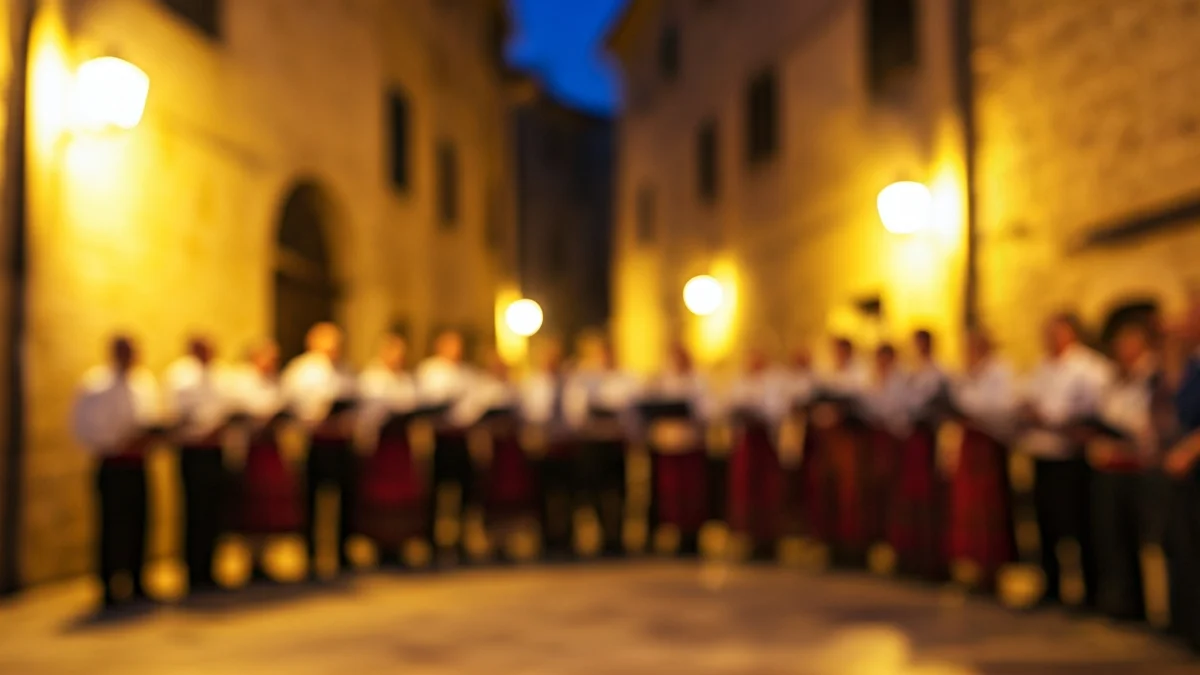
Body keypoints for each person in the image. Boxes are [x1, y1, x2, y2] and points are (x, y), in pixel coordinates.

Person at [1018, 312, 1111, 609]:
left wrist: (1055, 417)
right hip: (1043, 452)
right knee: (1046, 524)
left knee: (1079, 524)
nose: (1050, 339)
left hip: (1071, 457)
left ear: (1071, 332)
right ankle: (1052, 585)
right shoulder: (1043, 366)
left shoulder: (1089, 367)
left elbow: (1096, 410)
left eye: (1056, 332)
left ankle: (1090, 592)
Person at [71, 335, 163, 610]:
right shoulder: (95, 385)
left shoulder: (143, 382)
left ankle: (137, 580)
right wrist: (120, 440)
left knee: (140, 523)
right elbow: (84, 427)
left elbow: (151, 417)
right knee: (112, 526)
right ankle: (109, 585)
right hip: (113, 464)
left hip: (138, 464)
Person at [1088, 321, 1169, 622]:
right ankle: (1124, 601)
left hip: (1139, 468)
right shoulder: (1117, 377)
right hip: (1112, 467)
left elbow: (1146, 424)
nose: (1121, 351)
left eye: (1127, 344)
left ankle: (1152, 609)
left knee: (1145, 539)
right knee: (1114, 538)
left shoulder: (1152, 377)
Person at [281, 322, 358, 577]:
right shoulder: (300, 371)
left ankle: (341, 552)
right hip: (314, 442)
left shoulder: (346, 370)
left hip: (341, 441)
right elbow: (291, 406)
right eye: (329, 344)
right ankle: (312, 556)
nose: (334, 350)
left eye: (337, 345)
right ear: (313, 343)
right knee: (312, 500)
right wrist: (317, 413)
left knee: (344, 499)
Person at [945, 329, 1018, 591]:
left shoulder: (1000, 371)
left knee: (988, 507)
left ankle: (991, 566)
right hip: (971, 442)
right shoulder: (966, 374)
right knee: (969, 507)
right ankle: (973, 564)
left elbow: (1002, 407)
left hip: (988, 444)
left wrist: (974, 410)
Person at [163, 335, 235, 594]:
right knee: (194, 511)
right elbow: (177, 416)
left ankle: (210, 569)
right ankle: (192, 572)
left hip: (216, 451)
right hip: (193, 452)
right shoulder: (180, 376)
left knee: (214, 512)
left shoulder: (220, 375)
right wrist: (203, 429)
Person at [226, 339, 299, 582]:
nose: (273, 363)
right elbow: (237, 414)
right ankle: (250, 558)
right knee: (251, 505)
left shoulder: (277, 383)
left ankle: (265, 556)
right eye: (269, 357)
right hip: (250, 451)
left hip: (271, 449)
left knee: (270, 507)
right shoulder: (240, 382)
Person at [564, 335, 640, 557]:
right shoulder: (585, 380)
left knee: (618, 492)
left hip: (615, 443)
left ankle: (616, 537)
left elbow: (633, 412)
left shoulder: (626, 378)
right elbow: (575, 413)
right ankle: (600, 536)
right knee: (595, 492)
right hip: (593, 443)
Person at [355, 332, 421, 566]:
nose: (398, 358)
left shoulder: (406, 379)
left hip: (401, 445)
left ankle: (399, 544)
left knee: (402, 495)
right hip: (381, 445)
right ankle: (379, 545)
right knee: (380, 495)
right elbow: (364, 414)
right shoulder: (371, 379)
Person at [641, 343, 711, 556]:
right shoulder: (662, 381)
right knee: (669, 493)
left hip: (690, 444)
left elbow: (707, 411)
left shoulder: (698, 381)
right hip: (668, 445)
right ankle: (670, 534)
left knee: (691, 494)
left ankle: (691, 536)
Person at [892, 329, 951, 579]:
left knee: (927, 497)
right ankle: (910, 555)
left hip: (927, 440)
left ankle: (931, 558)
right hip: (910, 441)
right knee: (910, 498)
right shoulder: (909, 373)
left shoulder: (939, 372)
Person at [807, 337, 870, 563]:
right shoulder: (828, 372)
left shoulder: (860, 373)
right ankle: (829, 542)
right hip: (828, 441)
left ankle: (851, 545)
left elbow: (861, 400)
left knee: (850, 492)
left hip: (849, 440)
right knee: (828, 490)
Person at [415, 329, 477, 559]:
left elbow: (476, 401)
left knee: (464, 491)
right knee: (436, 491)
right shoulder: (430, 370)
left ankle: (460, 540)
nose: (456, 351)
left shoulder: (468, 373)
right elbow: (424, 402)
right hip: (438, 439)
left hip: (462, 438)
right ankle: (432, 542)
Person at [726, 348, 788, 560]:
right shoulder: (741, 381)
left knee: (767, 491)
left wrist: (760, 412)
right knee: (746, 491)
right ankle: (749, 538)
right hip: (747, 443)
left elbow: (777, 410)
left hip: (766, 443)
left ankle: (767, 540)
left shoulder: (773, 382)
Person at [520, 338, 576, 558]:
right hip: (542, 446)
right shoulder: (533, 383)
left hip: (566, 445)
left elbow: (576, 415)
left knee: (567, 495)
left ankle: (567, 538)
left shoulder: (570, 383)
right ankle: (545, 540)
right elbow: (528, 413)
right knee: (542, 495)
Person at [862, 343, 910, 562]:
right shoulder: (872, 379)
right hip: (876, 440)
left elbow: (897, 409)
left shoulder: (901, 380)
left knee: (896, 493)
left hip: (894, 441)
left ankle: (899, 545)